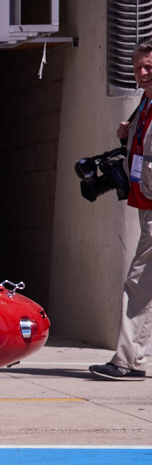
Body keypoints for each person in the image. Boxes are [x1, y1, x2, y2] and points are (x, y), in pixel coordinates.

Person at [90, 39, 152, 381]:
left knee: (139, 282)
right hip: (146, 202)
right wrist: (128, 136)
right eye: (137, 67)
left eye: (149, 67)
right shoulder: (146, 101)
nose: (142, 73)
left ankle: (127, 361)